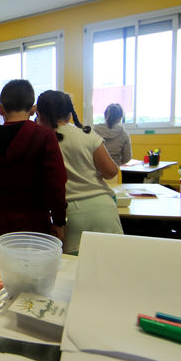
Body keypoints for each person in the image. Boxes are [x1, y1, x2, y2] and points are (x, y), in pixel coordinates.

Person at [0, 79, 67, 241]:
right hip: (36, 224)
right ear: (33, 109)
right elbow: (56, 185)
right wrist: (59, 221)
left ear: (1, 109)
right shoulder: (44, 136)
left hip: (1, 224)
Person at [37, 90, 123, 254]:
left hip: (71, 215)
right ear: (70, 115)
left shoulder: (40, 140)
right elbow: (111, 171)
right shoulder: (87, 135)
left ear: (39, 115)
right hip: (103, 209)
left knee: (75, 274)